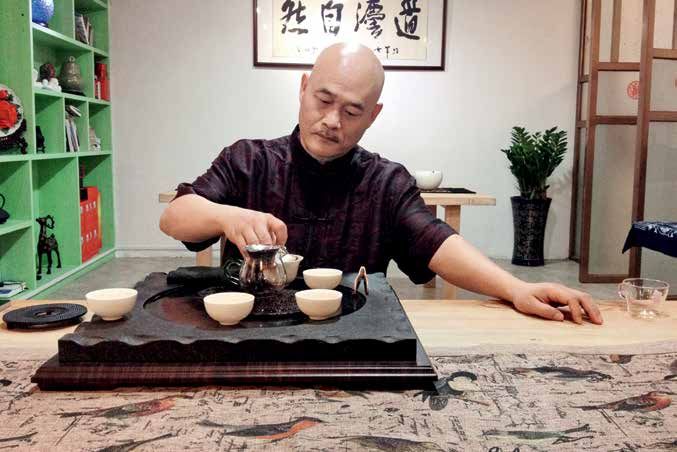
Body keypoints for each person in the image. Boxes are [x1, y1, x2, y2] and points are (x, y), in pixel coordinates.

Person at [160, 42, 603, 325]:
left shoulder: (386, 182)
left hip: (353, 342)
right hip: (252, 338)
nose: (332, 121)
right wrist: (227, 215)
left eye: (353, 111)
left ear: (374, 115)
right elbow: (175, 217)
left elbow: (436, 242)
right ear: (303, 88)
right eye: (323, 99)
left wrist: (516, 288)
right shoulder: (249, 160)